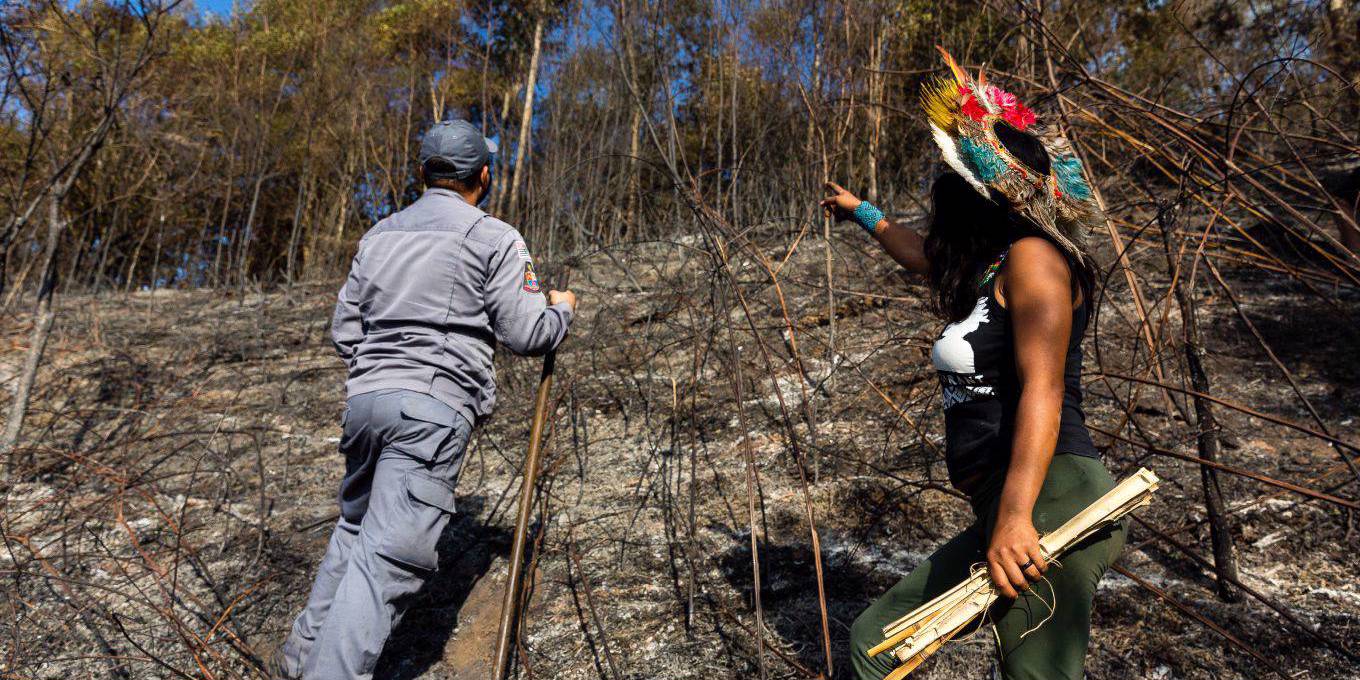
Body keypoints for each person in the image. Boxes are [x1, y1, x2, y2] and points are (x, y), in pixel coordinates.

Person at [823, 49, 1125, 680]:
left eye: (947, 185)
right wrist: (863, 213)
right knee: (874, 643)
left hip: (1051, 498)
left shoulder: (1035, 260)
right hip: (1008, 500)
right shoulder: (991, 267)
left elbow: (1044, 389)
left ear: (976, 196)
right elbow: (921, 254)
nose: (938, 197)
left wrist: (1016, 516)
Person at [272, 118, 578, 680]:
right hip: (430, 413)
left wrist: (381, 370)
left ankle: (297, 662)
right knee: (385, 561)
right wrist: (561, 308)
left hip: (365, 405)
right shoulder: (495, 237)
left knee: (353, 535)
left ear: (422, 174)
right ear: (483, 176)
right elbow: (526, 334)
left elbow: (346, 331)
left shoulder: (378, 235)